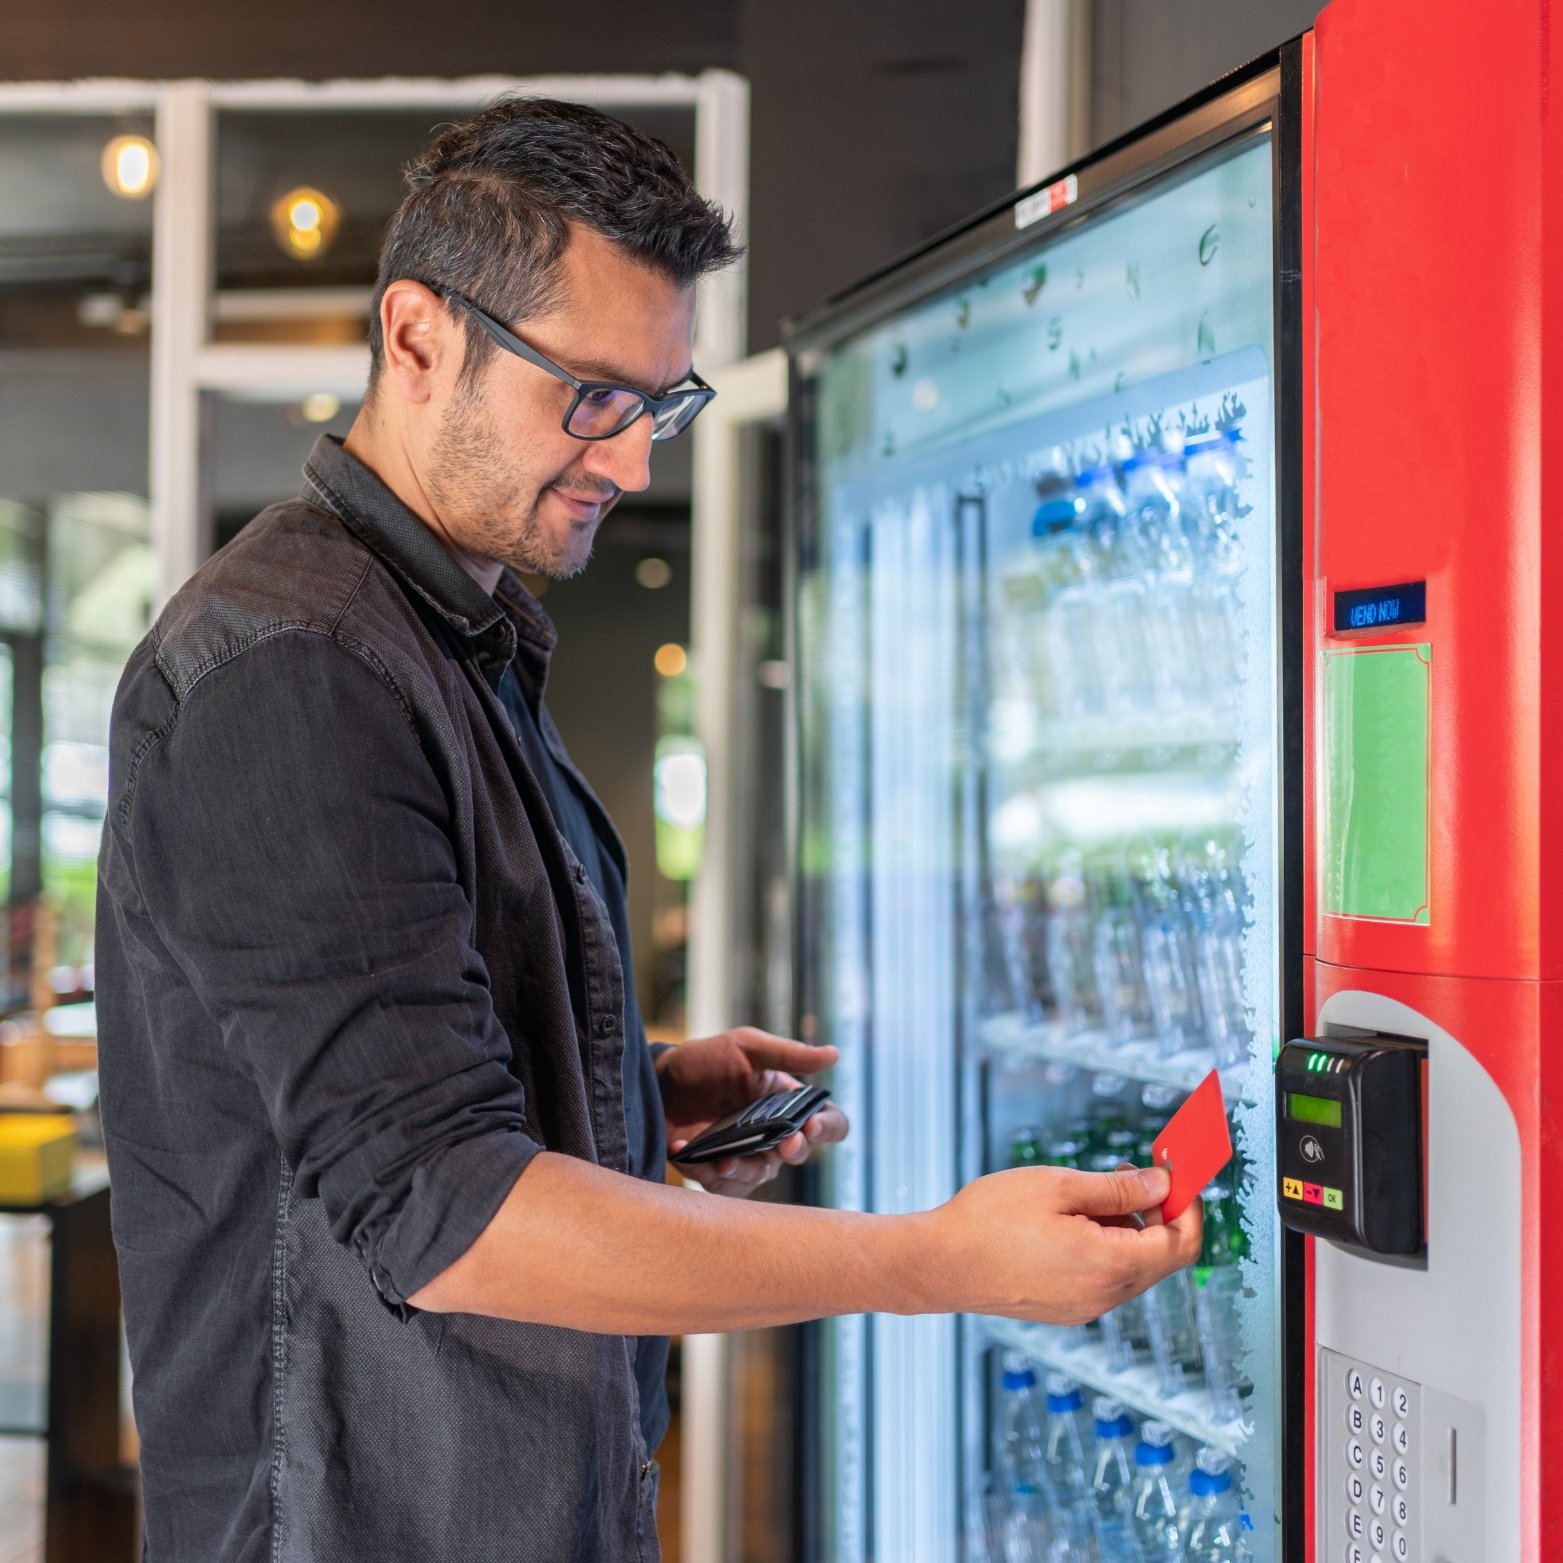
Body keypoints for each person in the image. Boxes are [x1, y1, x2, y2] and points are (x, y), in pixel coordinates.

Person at [96, 98, 1200, 1563]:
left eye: (658, 407)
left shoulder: (450, 639)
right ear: (420, 338)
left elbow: (377, 1076)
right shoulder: (290, 670)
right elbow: (447, 1209)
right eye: (592, 397)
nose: (632, 465)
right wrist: (932, 1261)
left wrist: (625, 1084)